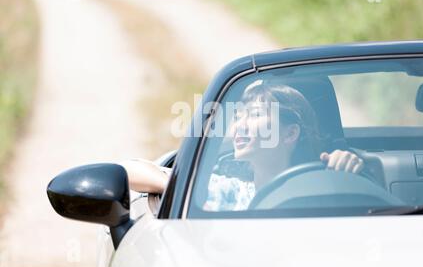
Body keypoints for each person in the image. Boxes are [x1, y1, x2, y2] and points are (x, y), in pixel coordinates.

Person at [120, 82, 364, 211]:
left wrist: (347, 171)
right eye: (238, 116)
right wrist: (178, 186)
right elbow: (128, 169)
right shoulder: (225, 191)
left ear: (290, 133)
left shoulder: (327, 184)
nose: (240, 126)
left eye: (255, 114)